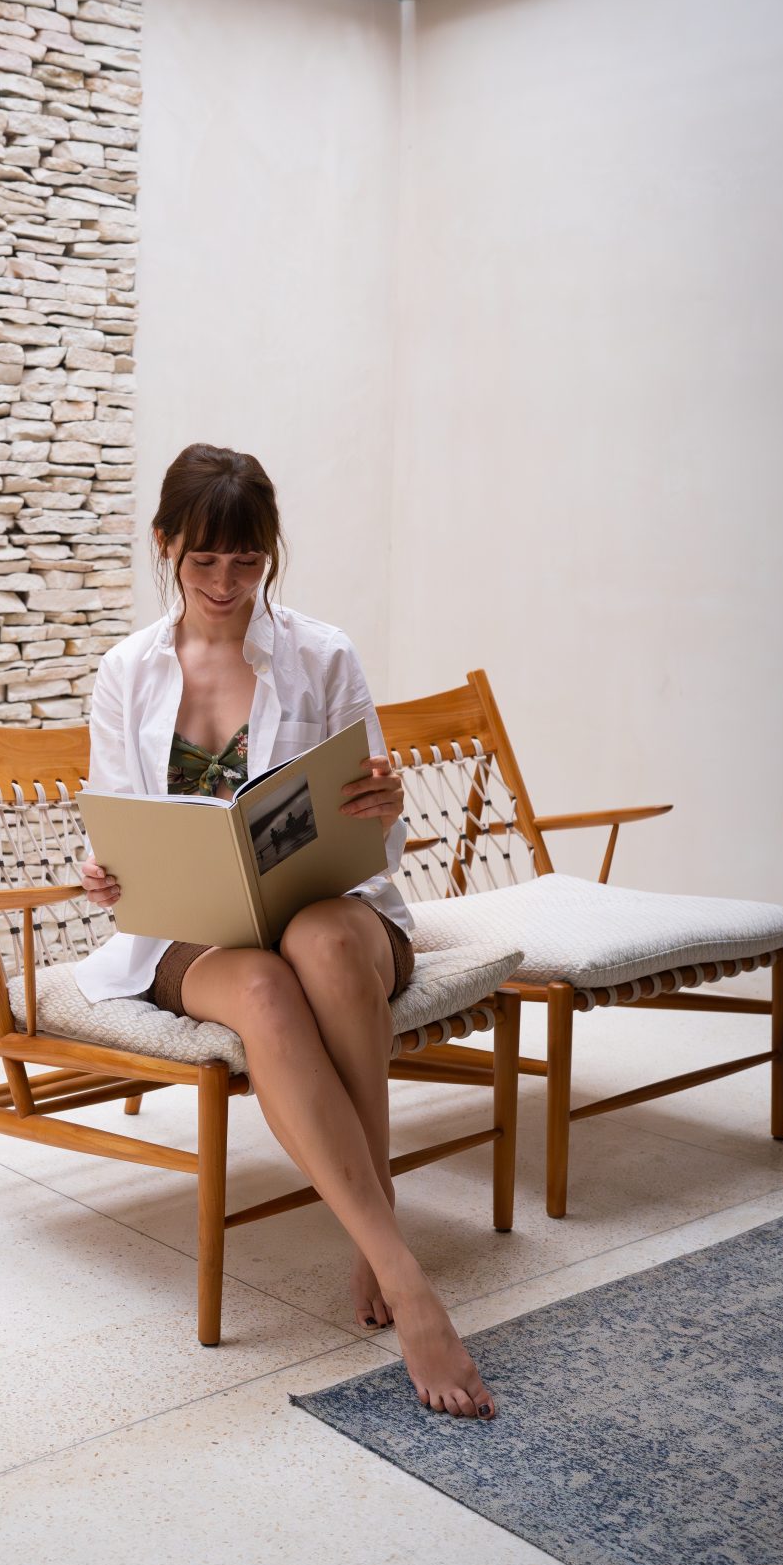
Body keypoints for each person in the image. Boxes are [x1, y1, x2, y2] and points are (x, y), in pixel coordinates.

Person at [76, 442, 498, 1420]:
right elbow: (115, 833)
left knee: (320, 941)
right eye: (202, 564)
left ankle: (367, 1223)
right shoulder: (126, 673)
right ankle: (402, 1273)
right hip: (197, 940)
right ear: (165, 549)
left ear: (269, 555)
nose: (225, 585)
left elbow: (382, 845)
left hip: (331, 916)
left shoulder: (323, 654)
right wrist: (100, 874)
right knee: (264, 983)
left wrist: (381, 801)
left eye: (246, 563)